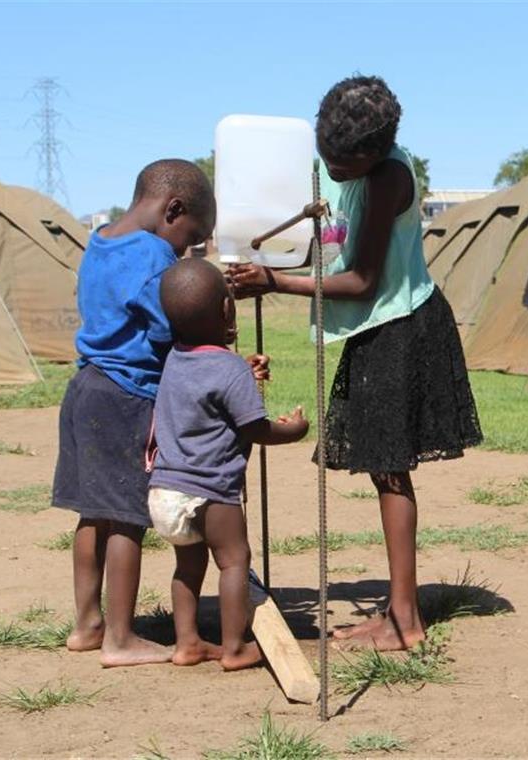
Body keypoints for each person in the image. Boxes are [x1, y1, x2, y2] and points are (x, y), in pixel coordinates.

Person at [228, 75, 483, 651]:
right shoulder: (357, 169)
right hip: (381, 326)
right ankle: (398, 609)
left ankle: (405, 622)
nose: (335, 171)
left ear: (374, 151)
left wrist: (274, 283)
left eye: (345, 165)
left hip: (401, 326)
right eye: (328, 158)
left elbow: (363, 281)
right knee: (383, 469)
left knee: (391, 469)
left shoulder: (388, 176)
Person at [50, 158, 268, 667]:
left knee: (93, 513)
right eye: (190, 240)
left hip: (84, 388)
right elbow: (171, 328)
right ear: (173, 210)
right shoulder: (152, 255)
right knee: (127, 518)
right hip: (126, 393)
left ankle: (87, 624)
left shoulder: (99, 239)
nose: (184, 255)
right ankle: (121, 638)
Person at [147, 258, 309, 670]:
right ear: (225, 309)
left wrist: (242, 373)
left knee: (188, 564)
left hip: (164, 492)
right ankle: (234, 647)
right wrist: (294, 431)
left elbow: (210, 394)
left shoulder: (174, 359)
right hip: (210, 492)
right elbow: (256, 429)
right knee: (235, 560)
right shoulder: (230, 369)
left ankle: (188, 644)